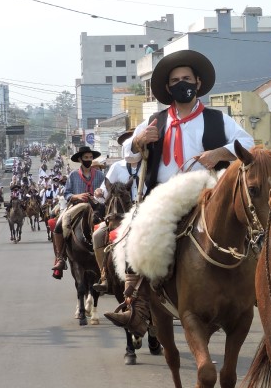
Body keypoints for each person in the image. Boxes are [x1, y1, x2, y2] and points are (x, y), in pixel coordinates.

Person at [104, 49, 254, 327]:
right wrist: (138, 141)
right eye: (175, 80)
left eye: (187, 78)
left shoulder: (218, 119)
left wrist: (219, 153)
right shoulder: (155, 121)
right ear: (168, 87)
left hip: (207, 194)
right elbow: (128, 154)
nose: (181, 83)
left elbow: (249, 145)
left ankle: (259, 286)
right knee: (134, 231)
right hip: (161, 197)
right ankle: (134, 300)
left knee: (253, 223)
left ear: (198, 83)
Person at [91, 130, 141, 294]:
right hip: (119, 218)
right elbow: (104, 192)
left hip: (145, 215)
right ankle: (104, 276)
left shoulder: (152, 164)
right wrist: (98, 193)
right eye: (128, 144)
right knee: (97, 236)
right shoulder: (116, 167)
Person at [50, 145, 106, 279]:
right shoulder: (73, 175)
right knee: (58, 226)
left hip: (96, 207)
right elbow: (67, 193)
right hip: (77, 206)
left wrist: (100, 193)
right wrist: (77, 196)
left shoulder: (100, 175)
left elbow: (105, 191)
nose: (88, 159)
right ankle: (60, 258)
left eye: (90, 157)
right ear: (80, 159)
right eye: (86, 157)